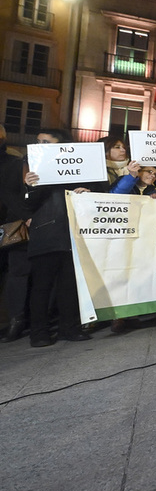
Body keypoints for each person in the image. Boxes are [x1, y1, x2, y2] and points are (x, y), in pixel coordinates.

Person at [23, 129, 105, 346]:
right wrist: (30, 186)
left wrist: (88, 190)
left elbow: (99, 193)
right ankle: (38, 333)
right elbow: (27, 204)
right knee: (42, 286)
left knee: (70, 285)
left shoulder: (82, 169)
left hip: (74, 234)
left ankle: (70, 328)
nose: (40, 144)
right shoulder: (32, 168)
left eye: (46, 142)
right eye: (38, 141)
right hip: (46, 233)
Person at [0, 125, 30, 343]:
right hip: (12, 224)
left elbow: (11, 194)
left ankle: (14, 320)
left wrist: (25, 216)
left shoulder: (13, 162)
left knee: (15, 274)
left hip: (11, 227)